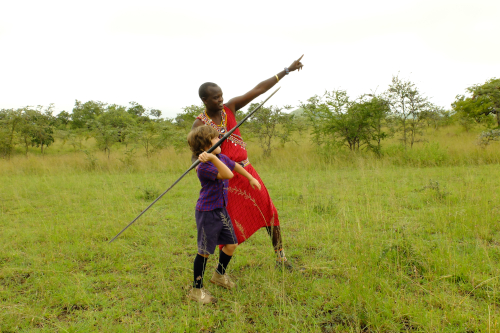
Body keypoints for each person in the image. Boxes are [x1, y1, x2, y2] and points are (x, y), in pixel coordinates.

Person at [191, 55, 304, 269]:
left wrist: (286, 70)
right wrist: (203, 159)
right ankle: (220, 270)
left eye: (221, 95)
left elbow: (258, 89)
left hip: (247, 171)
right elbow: (196, 154)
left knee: (270, 211)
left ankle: (281, 258)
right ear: (205, 101)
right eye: (215, 98)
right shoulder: (199, 123)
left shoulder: (230, 108)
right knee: (229, 224)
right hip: (225, 178)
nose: (220, 100)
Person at [187, 125, 262, 304]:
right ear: (206, 145)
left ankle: (219, 275)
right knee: (204, 251)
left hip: (221, 209)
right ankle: (196, 290)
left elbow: (234, 165)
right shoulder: (204, 167)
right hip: (207, 212)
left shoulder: (219, 157)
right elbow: (227, 174)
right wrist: (212, 158)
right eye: (215, 138)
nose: (220, 139)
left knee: (231, 244)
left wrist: (250, 178)